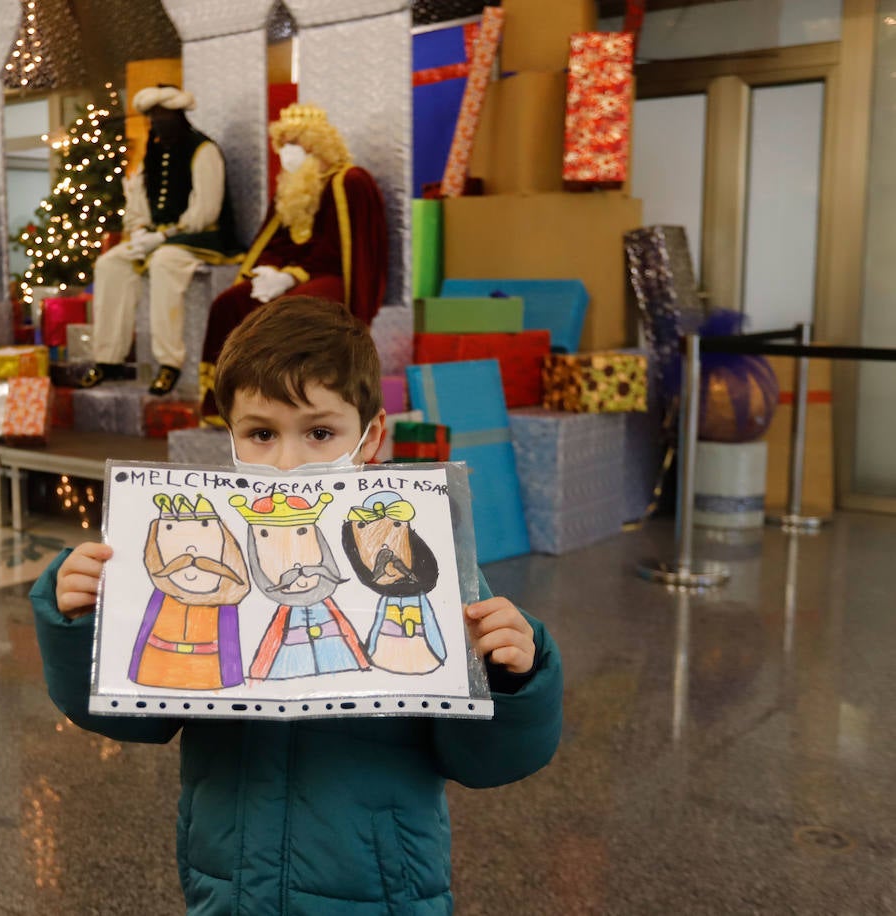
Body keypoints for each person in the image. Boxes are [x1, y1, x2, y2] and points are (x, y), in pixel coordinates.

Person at [31, 297, 562, 914]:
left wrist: (511, 676)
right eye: (261, 434)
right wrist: (83, 624)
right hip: (229, 884)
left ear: (371, 437)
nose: (288, 464)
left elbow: (488, 761)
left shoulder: (423, 557)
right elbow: (139, 716)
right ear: (227, 437)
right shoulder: (214, 549)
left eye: (318, 432)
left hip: (382, 892)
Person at [198, 103, 387, 424]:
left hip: (331, 275)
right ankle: (227, 401)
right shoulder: (290, 186)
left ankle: (285, 396)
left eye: (294, 145)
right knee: (228, 303)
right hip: (290, 274)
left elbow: (341, 250)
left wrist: (289, 277)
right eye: (282, 146)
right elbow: (273, 241)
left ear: (316, 145)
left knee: (289, 311)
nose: (286, 153)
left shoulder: (348, 181)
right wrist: (268, 270)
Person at [81, 85, 241, 396]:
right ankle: (108, 358)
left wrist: (164, 236)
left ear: (179, 117)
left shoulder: (203, 150)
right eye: (153, 119)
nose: (158, 124)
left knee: (166, 263)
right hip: (157, 237)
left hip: (201, 236)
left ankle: (170, 362)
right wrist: (140, 229)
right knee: (110, 263)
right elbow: (138, 200)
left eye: (164, 117)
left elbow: (205, 210)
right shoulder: (150, 155)